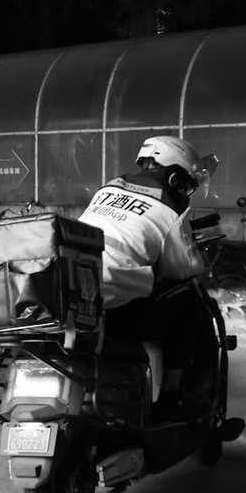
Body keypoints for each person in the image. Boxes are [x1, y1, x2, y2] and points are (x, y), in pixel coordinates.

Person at [78, 134, 218, 409]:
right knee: (188, 301)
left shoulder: (107, 189)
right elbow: (182, 269)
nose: (187, 190)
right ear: (176, 177)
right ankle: (169, 397)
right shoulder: (170, 205)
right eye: (188, 183)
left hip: (74, 283)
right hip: (114, 296)